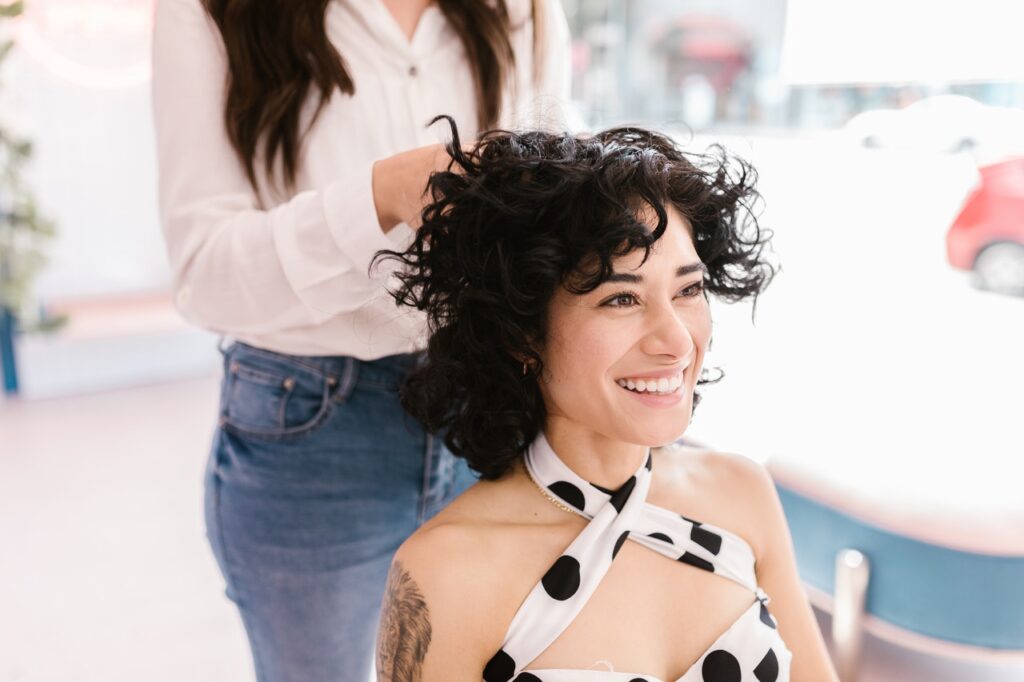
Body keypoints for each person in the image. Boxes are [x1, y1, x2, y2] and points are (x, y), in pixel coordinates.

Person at [150, 1, 573, 680]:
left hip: (492, 405)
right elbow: (205, 273)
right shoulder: (207, 12)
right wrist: (382, 196)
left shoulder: (521, 10)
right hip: (312, 429)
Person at [372, 119, 841, 681]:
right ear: (522, 333)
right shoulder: (447, 571)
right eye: (621, 298)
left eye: (688, 290)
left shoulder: (742, 494)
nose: (675, 341)